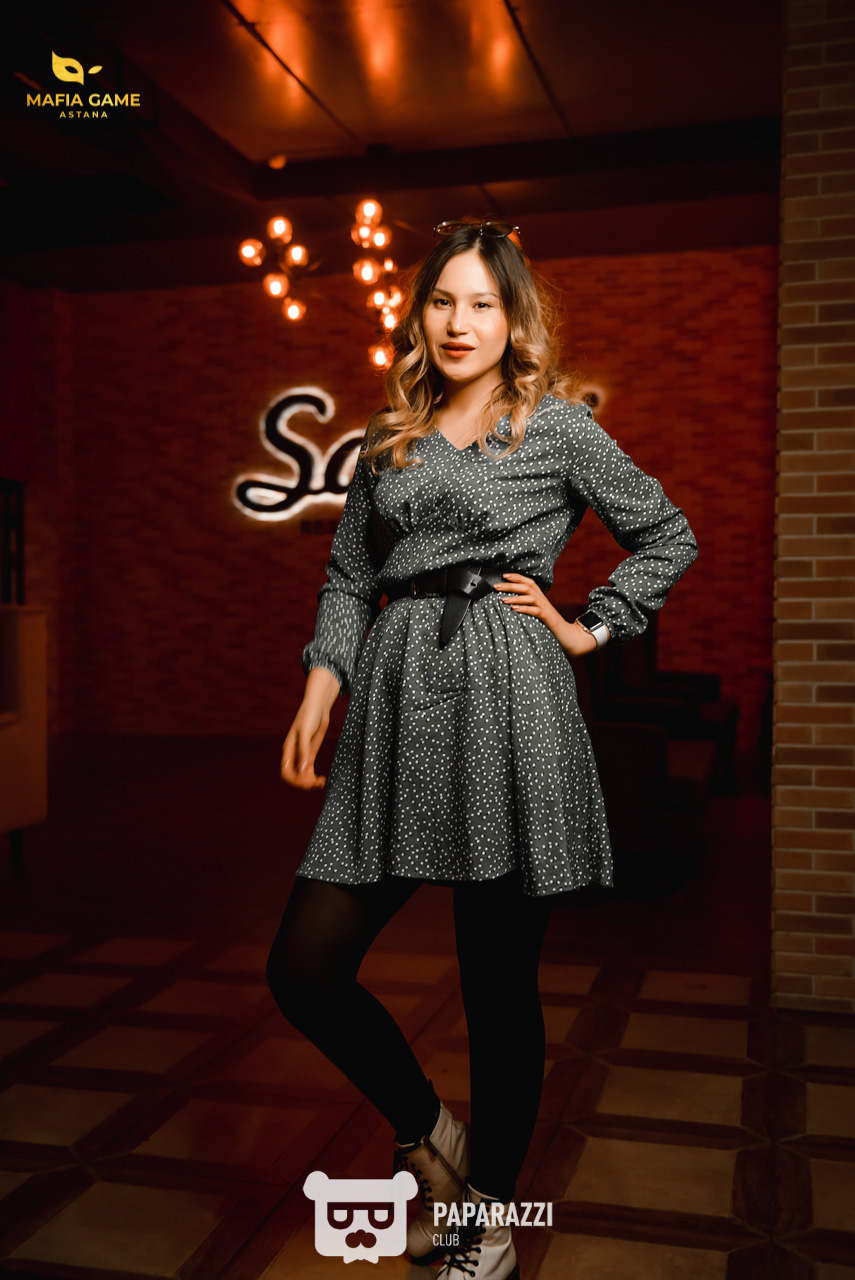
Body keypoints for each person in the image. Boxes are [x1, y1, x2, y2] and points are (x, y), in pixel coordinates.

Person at [267, 219, 699, 1280]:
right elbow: (347, 575)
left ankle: (488, 1222)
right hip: (396, 700)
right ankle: (430, 1133)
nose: (459, 323)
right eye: (442, 301)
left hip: (511, 701)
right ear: (418, 314)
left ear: (514, 320)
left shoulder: (556, 426)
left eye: (482, 304)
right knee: (304, 968)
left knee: (497, 987)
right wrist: (323, 682)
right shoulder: (389, 438)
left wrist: (590, 626)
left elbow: (667, 532)